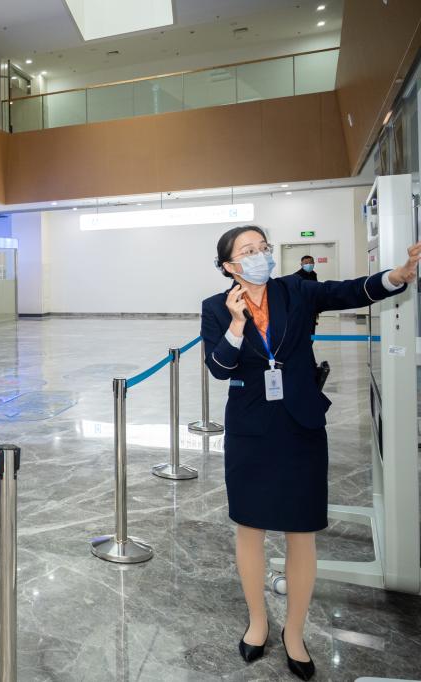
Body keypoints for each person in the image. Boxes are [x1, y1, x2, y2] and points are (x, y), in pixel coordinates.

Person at [201, 225, 419, 681]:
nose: (260, 255)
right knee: (250, 527)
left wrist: (396, 276)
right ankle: (258, 622)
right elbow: (219, 368)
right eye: (248, 250)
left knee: (301, 530)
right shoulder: (216, 308)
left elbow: (350, 291)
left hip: (299, 424)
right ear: (228, 265)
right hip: (250, 430)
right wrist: (237, 325)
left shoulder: (296, 291)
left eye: (263, 247)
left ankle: (295, 632)